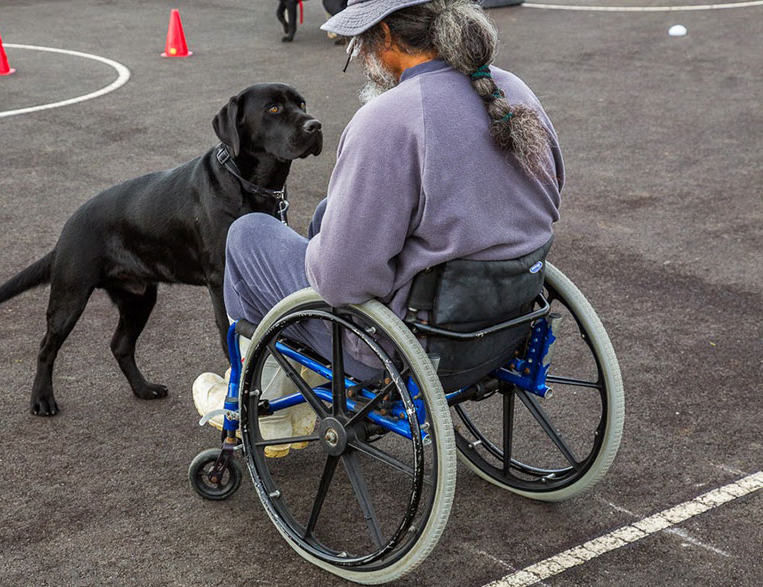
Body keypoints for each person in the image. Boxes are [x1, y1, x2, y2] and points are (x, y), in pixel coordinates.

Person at [193, 0, 564, 453]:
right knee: (330, 213)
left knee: (249, 234)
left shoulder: (388, 118)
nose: (360, 55)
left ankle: (268, 401)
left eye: (360, 42)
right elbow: (550, 194)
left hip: (406, 341)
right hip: (508, 318)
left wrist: (319, 252)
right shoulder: (511, 88)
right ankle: (294, 375)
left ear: (385, 37)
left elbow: (341, 282)